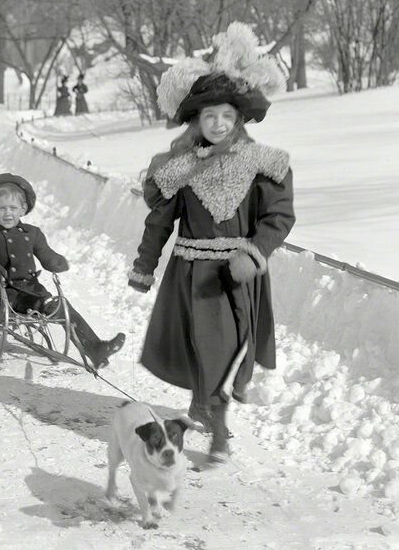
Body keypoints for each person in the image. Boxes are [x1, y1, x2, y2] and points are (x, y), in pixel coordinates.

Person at [127, 23, 295, 465]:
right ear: (197, 121)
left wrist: (255, 251)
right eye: (209, 116)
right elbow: (159, 221)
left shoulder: (264, 165)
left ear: (239, 119)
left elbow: (279, 217)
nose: (218, 124)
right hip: (192, 277)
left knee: (232, 355)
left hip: (239, 276)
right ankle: (217, 430)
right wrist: (145, 266)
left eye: (226, 115)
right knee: (210, 349)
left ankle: (206, 406)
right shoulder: (179, 169)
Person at [0, 173, 126, 371]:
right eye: (1, 208)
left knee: (61, 306)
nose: (7, 213)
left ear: (23, 209)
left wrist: (56, 262)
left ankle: (96, 349)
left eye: (13, 208)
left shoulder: (33, 233)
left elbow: (45, 254)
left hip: (30, 294)